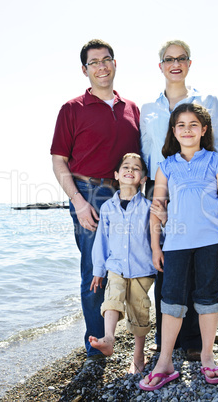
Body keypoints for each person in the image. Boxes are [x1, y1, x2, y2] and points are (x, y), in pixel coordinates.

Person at [50, 40, 140, 366]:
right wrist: (77, 201)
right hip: (89, 196)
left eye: (106, 60)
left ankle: (120, 334)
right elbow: (59, 161)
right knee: (95, 271)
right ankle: (96, 347)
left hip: (128, 196)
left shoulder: (132, 108)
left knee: (132, 269)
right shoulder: (72, 109)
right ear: (85, 70)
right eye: (94, 62)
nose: (102, 66)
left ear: (115, 64)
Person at [139, 103, 218, 391]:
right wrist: (156, 247)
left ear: (204, 130)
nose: (187, 130)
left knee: (207, 296)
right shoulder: (166, 166)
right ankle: (165, 362)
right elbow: (158, 209)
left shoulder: (217, 162)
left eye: (194, 124)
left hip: (210, 241)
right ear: (173, 131)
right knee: (172, 300)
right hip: (176, 244)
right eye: (180, 125)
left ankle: (207, 356)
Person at [140, 39, 218, 360]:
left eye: (181, 58)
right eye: (168, 59)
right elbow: (146, 151)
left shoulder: (208, 101)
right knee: (167, 263)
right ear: (160, 66)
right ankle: (167, 338)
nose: (175, 63)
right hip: (160, 188)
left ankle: (193, 339)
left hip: (199, 187)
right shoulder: (148, 110)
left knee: (197, 262)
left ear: (189, 63)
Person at [88, 153, 157, 374]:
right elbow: (102, 240)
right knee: (112, 298)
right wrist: (98, 270)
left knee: (139, 310)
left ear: (143, 178)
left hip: (142, 268)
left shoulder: (148, 207)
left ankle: (139, 354)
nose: (130, 170)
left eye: (136, 168)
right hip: (115, 266)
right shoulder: (108, 208)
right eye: (125, 167)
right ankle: (109, 338)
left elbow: (156, 236)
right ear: (117, 175)